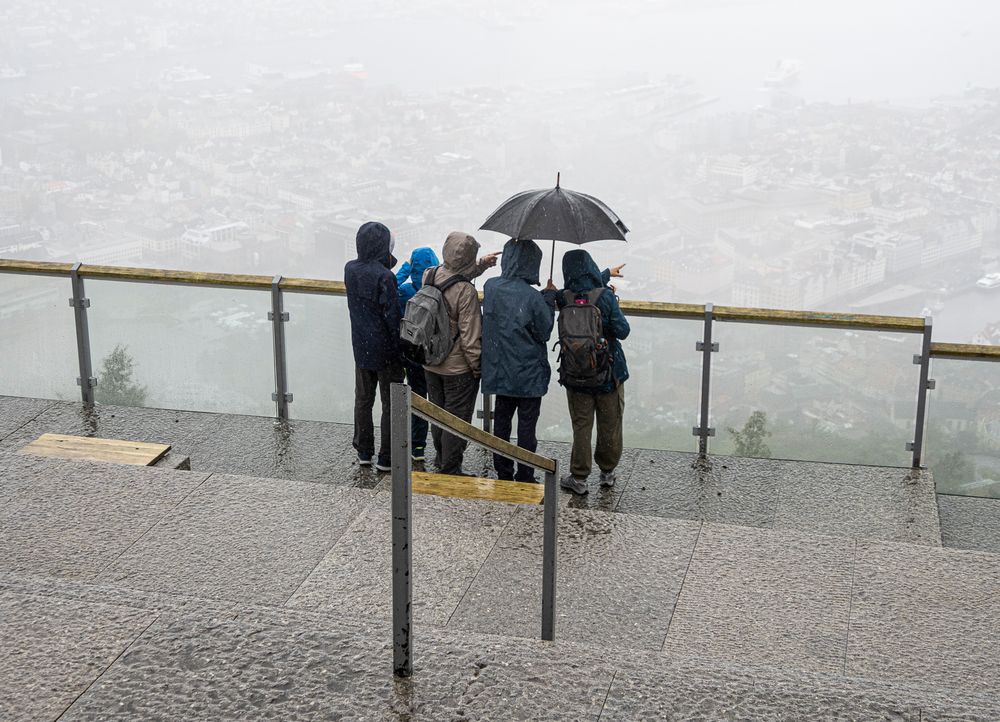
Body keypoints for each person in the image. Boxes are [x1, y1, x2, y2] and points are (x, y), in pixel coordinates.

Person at [421, 231, 498, 475]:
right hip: (457, 369)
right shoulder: (466, 292)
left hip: (430, 360)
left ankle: (441, 459)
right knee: (456, 420)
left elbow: (451, 277)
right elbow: (470, 336)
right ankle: (450, 469)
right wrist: (477, 368)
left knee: (438, 413)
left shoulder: (429, 275)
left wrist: (480, 266)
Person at [481, 239, 558, 482]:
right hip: (528, 374)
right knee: (527, 427)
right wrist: (549, 297)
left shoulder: (491, 287)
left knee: (501, 424)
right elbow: (543, 331)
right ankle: (525, 474)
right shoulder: (533, 297)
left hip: (500, 370)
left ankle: (503, 472)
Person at [554, 250, 630, 495]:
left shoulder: (562, 297)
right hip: (608, 373)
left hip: (576, 375)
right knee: (610, 423)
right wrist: (610, 299)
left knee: (582, 426)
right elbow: (623, 330)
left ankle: (579, 477)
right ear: (591, 265)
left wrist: (549, 291)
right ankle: (607, 472)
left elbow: (579, 290)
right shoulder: (604, 297)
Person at [345, 221, 404, 472]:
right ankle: (386, 457)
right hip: (385, 349)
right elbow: (391, 316)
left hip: (361, 345)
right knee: (390, 403)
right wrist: (399, 349)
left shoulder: (350, 269)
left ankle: (364, 450)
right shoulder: (386, 276)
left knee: (363, 399)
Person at [396, 246, 439, 462]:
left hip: (412, 355)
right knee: (439, 400)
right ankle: (443, 449)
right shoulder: (438, 294)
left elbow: (389, 286)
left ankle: (418, 447)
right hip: (434, 356)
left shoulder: (405, 292)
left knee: (417, 398)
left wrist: (405, 268)